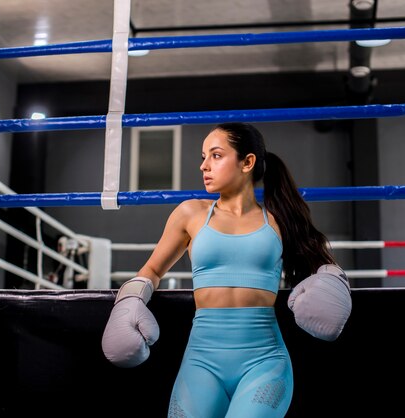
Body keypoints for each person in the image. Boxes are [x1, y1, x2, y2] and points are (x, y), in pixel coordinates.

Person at [101, 122, 352, 417]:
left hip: (264, 360)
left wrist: (333, 283)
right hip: (201, 361)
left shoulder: (278, 219)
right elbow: (152, 271)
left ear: (247, 162)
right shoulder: (191, 213)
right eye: (203, 156)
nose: (204, 165)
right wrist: (129, 300)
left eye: (216, 155)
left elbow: (322, 263)